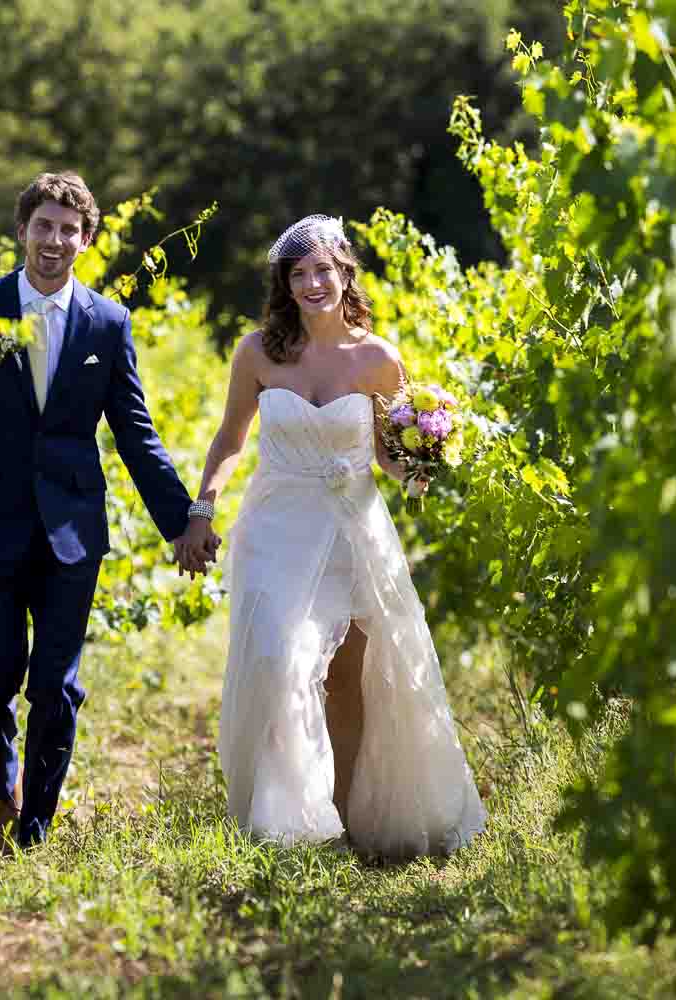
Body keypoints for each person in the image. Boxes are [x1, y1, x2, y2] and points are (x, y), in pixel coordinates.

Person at [0, 171, 218, 854]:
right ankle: (4, 780)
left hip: (74, 533)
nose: (54, 240)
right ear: (23, 231)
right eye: (43, 226)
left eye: (68, 229)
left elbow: (135, 432)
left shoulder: (108, 324)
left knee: (57, 684)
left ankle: (34, 829)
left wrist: (184, 520)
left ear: (87, 239)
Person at [187, 214, 486, 856]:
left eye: (323, 269)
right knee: (278, 657)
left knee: (350, 676)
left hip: (353, 526)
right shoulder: (257, 353)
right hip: (277, 524)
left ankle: (347, 823)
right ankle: (288, 812)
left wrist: (420, 463)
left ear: (344, 273)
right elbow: (229, 439)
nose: (312, 282)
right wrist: (202, 507)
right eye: (298, 274)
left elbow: (387, 449)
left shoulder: (378, 359)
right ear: (285, 284)